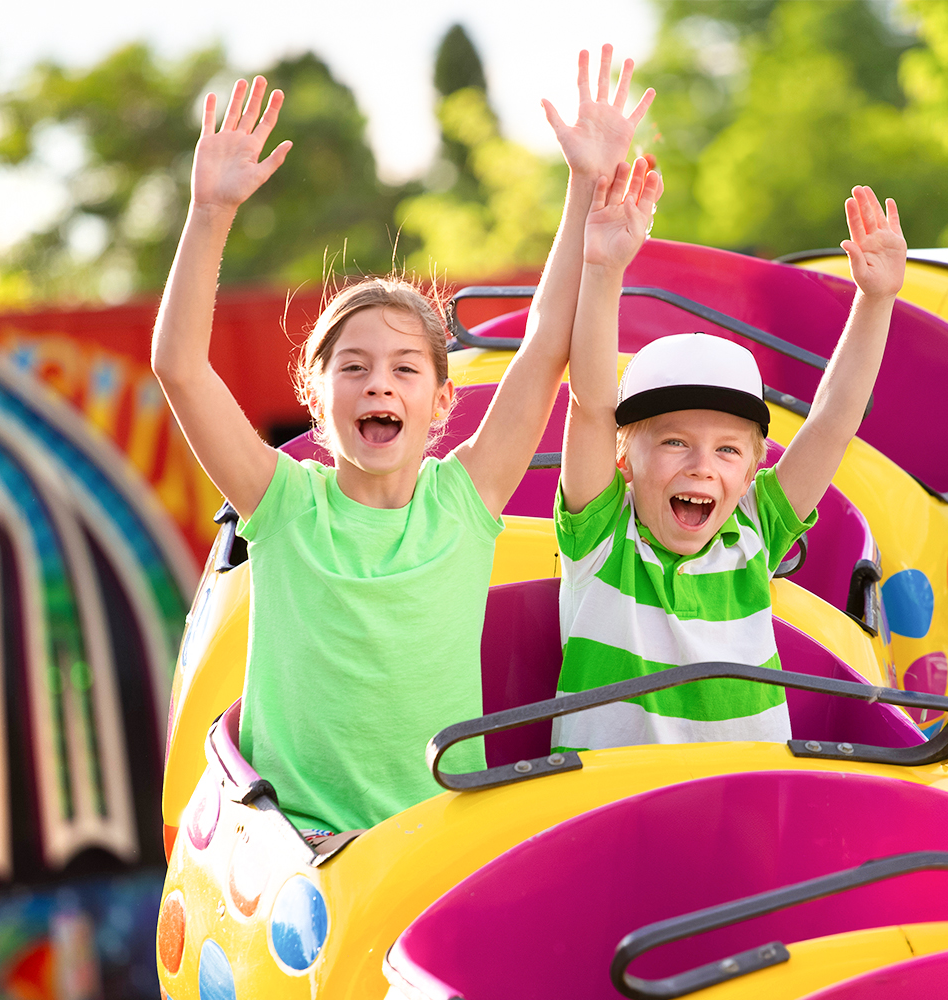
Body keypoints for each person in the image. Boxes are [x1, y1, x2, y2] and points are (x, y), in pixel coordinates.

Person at [152, 47, 654, 840]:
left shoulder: (464, 498)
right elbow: (178, 367)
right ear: (318, 403)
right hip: (303, 851)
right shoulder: (283, 504)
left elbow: (544, 347)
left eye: (403, 368)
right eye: (352, 368)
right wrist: (209, 214)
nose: (379, 384)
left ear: (441, 401)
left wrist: (584, 185)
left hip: (432, 844)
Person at [553, 182, 908, 752]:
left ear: (751, 470)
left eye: (727, 450)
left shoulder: (753, 531)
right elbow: (592, 405)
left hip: (742, 803)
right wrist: (602, 267)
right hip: (614, 814)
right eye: (673, 441)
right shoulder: (602, 539)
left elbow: (833, 422)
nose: (701, 467)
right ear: (624, 456)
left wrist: (876, 299)